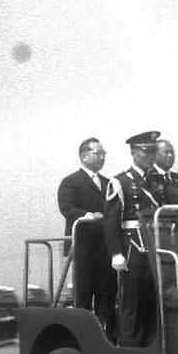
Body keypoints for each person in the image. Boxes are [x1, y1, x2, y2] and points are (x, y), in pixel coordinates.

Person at [104, 131, 178, 347]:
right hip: (134, 247)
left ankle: (149, 345)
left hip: (157, 246)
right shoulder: (120, 182)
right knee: (132, 301)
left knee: (154, 299)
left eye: (152, 151)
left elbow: (174, 194)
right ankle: (130, 346)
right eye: (145, 151)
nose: (150, 156)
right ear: (133, 153)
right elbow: (111, 221)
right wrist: (116, 253)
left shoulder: (157, 182)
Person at [57, 138, 115, 333]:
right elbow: (67, 208)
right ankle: (82, 336)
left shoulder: (108, 184)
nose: (102, 158)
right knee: (83, 294)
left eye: (103, 154)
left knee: (106, 293)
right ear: (84, 156)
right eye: (97, 154)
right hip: (83, 247)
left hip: (105, 248)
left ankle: (105, 335)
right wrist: (89, 216)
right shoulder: (71, 182)